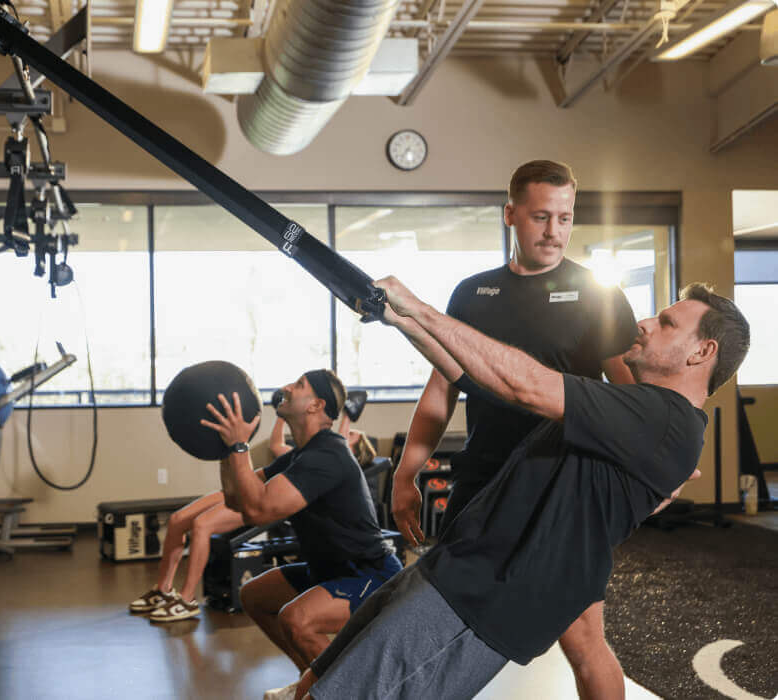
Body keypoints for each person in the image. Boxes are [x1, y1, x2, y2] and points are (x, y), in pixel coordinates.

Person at [296, 280, 749, 700]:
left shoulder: (665, 419)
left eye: (667, 322)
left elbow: (526, 383)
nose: (645, 323)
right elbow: (475, 376)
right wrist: (402, 320)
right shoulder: (639, 410)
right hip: (456, 567)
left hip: (483, 599)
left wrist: (418, 307)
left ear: (702, 352)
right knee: (315, 684)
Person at [391, 160, 639, 698]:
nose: (554, 231)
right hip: (482, 484)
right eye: (540, 217)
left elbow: (629, 400)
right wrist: (405, 472)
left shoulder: (597, 295)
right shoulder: (471, 294)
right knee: (441, 626)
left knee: (583, 639)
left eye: (565, 218)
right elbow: (441, 390)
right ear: (510, 215)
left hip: (562, 491)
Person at [201, 369, 403, 700]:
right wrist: (228, 450)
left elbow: (259, 511)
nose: (286, 388)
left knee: (297, 619)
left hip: (371, 576)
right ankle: (309, 680)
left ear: (315, 405)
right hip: (329, 570)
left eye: (298, 385)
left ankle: (344, 692)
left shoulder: (328, 455)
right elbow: (237, 498)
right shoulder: (302, 456)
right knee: (255, 596)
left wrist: (239, 444)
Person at [127, 491, 243, 622]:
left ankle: (187, 600)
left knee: (201, 525)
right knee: (176, 519)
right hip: (247, 486)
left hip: (262, 497)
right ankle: (163, 590)